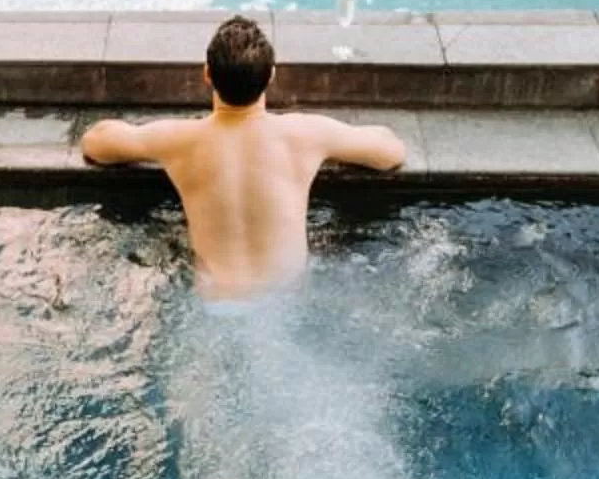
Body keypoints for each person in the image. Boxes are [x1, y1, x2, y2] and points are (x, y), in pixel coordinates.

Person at [80, 15, 405, 303]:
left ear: (207, 74)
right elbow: (391, 153)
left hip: (213, 302)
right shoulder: (306, 133)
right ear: (271, 76)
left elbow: (95, 143)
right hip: (288, 299)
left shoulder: (178, 139)